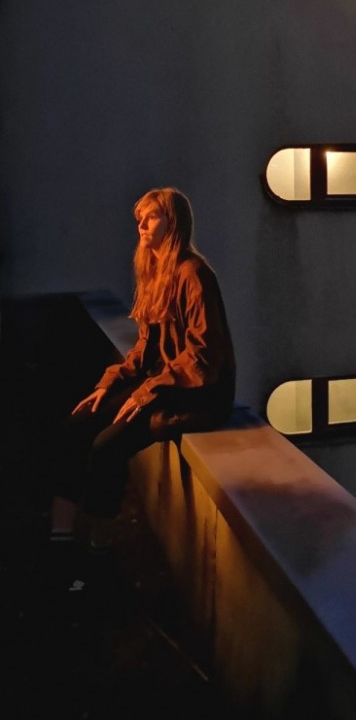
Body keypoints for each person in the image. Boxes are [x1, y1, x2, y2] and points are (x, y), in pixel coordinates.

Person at [49, 186, 236, 565]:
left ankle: (97, 547)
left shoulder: (193, 273)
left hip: (194, 392)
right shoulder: (155, 273)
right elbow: (143, 350)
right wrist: (109, 385)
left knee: (107, 446)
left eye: (152, 217)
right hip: (161, 383)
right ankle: (61, 534)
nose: (142, 225)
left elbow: (203, 355)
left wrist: (147, 391)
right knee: (76, 425)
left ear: (173, 222)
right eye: (140, 219)